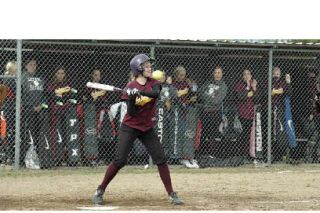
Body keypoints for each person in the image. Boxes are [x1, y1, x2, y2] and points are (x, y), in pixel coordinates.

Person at [92, 54, 183, 205]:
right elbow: (132, 113)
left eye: (149, 66)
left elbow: (155, 94)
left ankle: (171, 193)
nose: (149, 68)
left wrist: (140, 93)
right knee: (120, 160)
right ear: (138, 69)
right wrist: (131, 99)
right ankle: (100, 189)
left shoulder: (154, 82)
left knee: (160, 158)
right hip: (131, 126)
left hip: (147, 127)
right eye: (146, 66)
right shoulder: (129, 88)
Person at [261, 67, 292, 163]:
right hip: (267, 110)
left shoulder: (282, 83)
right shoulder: (266, 82)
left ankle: (278, 155)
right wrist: (273, 90)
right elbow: (263, 94)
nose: (276, 75)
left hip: (278, 111)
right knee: (267, 132)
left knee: (278, 133)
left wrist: (288, 83)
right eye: (274, 73)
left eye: (278, 73)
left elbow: (288, 93)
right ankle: (267, 154)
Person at [196, 67, 228, 160]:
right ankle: (201, 154)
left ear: (222, 74)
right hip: (204, 111)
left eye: (219, 73)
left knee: (212, 134)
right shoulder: (208, 83)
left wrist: (207, 96)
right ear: (213, 74)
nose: (217, 74)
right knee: (203, 133)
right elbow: (200, 94)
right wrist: (211, 97)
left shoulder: (223, 86)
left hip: (215, 112)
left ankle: (212, 154)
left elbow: (217, 100)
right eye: (215, 72)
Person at [20, 59, 46, 166]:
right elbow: (21, 94)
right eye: (30, 64)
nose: (33, 66)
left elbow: (45, 93)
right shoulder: (23, 77)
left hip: (40, 110)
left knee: (38, 133)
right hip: (28, 109)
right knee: (28, 134)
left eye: (35, 65)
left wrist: (41, 105)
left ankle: (37, 157)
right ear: (26, 66)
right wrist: (32, 106)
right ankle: (24, 158)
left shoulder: (40, 78)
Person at [171, 66, 198, 168]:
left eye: (184, 75)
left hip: (188, 110)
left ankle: (188, 156)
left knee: (188, 133)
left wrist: (192, 86)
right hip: (177, 110)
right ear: (176, 74)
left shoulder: (186, 83)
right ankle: (180, 156)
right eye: (181, 75)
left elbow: (194, 95)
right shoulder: (173, 84)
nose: (183, 77)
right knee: (180, 133)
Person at [47, 66, 74, 166]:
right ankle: (57, 158)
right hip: (55, 113)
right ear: (55, 74)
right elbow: (52, 96)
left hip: (66, 113)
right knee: (57, 135)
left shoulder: (68, 85)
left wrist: (61, 97)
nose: (60, 75)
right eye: (58, 73)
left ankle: (67, 158)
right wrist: (61, 97)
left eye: (62, 73)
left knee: (67, 135)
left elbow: (70, 97)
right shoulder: (51, 85)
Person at [234, 69, 258, 162]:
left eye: (248, 74)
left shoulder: (253, 85)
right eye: (245, 74)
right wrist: (247, 87)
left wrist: (254, 88)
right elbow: (241, 97)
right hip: (242, 114)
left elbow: (257, 99)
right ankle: (240, 156)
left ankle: (249, 155)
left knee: (250, 137)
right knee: (242, 136)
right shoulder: (239, 85)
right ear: (242, 76)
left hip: (252, 115)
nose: (247, 76)